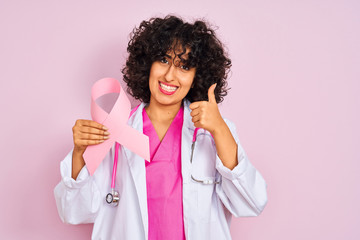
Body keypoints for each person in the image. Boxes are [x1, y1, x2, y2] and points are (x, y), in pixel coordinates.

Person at [54, 15, 267, 240]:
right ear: (148, 64)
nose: (169, 75)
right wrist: (79, 153)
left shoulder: (213, 133)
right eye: (164, 60)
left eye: (184, 66)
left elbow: (252, 203)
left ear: (197, 76)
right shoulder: (115, 130)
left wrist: (220, 129)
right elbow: (73, 212)